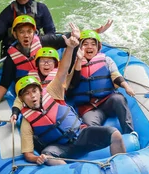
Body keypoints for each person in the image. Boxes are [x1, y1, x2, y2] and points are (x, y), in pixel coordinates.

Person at [13, 26, 126, 166]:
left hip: (81, 135)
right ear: (22, 99)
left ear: (40, 91)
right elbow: (28, 153)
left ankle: (123, 167)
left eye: (34, 91)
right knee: (48, 155)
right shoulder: (26, 121)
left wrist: (70, 48)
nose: (32, 96)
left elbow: (63, 70)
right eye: (27, 94)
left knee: (114, 134)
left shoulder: (52, 92)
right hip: (61, 148)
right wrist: (37, 158)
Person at [0, 15, 74, 111]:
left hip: (52, 87)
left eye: (29, 32)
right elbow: (4, 83)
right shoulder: (11, 58)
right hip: (30, 94)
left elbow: (66, 40)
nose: (26, 36)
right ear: (15, 35)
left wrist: (76, 37)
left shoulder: (43, 41)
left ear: (34, 33)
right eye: (21, 32)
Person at [68, 30, 136, 134]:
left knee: (118, 98)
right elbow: (73, 83)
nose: (89, 47)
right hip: (88, 108)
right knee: (90, 126)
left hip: (107, 101)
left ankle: (129, 132)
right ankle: (105, 141)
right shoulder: (73, 64)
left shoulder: (107, 60)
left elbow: (116, 76)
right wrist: (78, 60)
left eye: (93, 44)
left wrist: (126, 86)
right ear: (80, 47)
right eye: (85, 44)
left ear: (98, 47)